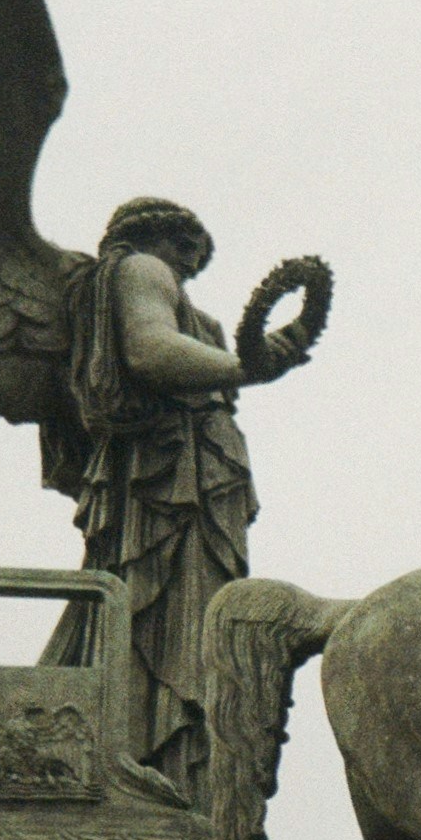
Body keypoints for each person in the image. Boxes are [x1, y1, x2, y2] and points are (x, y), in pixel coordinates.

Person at [37, 198, 258, 799]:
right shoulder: (141, 268)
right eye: (187, 253)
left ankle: (164, 762)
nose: (188, 270)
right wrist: (245, 368)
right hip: (169, 476)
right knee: (172, 618)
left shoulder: (121, 284)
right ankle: (155, 767)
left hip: (179, 472)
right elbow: (150, 349)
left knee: (175, 616)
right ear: (167, 238)